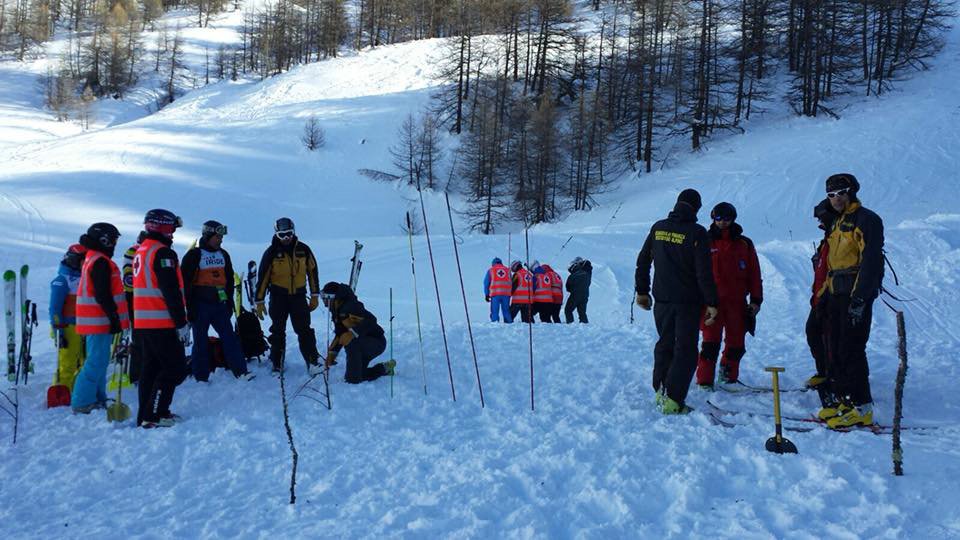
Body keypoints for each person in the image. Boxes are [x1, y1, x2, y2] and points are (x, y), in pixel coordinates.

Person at [635, 189, 718, 414]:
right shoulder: (697, 233)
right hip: (687, 302)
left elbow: (643, 260)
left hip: (661, 300)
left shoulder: (658, 227)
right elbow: (704, 272)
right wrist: (712, 302)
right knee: (686, 350)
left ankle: (660, 391)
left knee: (665, 343)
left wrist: (642, 291)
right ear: (697, 208)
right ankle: (673, 399)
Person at [817, 173, 884, 428]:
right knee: (837, 349)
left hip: (855, 294)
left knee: (853, 349)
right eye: (830, 194)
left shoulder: (867, 220)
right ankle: (845, 401)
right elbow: (831, 263)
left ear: (852, 192)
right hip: (836, 293)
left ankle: (862, 406)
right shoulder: (837, 222)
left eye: (840, 193)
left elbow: (870, 262)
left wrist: (860, 299)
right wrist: (824, 294)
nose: (835, 198)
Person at [695, 202, 763, 390]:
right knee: (710, 344)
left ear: (733, 219)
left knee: (736, 344)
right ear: (713, 218)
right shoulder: (704, 241)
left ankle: (728, 377)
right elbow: (695, 273)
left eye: (727, 219)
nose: (723, 222)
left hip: (737, 304)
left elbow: (754, 274)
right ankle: (704, 381)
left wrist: (756, 300)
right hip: (711, 305)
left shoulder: (744, 244)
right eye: (718, 218)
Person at [134, 209, 191, 429]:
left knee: (151, 368)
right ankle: (154, 414)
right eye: (171, 229)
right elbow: (171, 291)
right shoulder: (162, 253)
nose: (173, 234)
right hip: (161, 320)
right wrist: (181, 323)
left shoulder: (143, 250)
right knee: (175, 369)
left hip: (144, 321)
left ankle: (147, 415)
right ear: (162, 227)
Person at [181, 220, 252, 382]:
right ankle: (201, 376)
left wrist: (228, 303)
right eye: (218, 236)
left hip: (219, 305)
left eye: (221, 237)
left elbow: (228, 280)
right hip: (200, 305)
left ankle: (241, 371)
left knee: (230, 338)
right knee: (200, 342)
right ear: (208, 235)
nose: (221, 240)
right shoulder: (194, 255)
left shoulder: (223, 254)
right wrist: (189, 307)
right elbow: (184, 283)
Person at [73, 223, 129, 414]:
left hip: (97, 321)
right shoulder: (100, 262)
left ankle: (96, 397)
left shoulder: (95, 258)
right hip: (98, 321)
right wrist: (113, 317)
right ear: (104, 240)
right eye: (113, 240)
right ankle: (82, 402)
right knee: (95, 362)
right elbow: (102, 293)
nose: (114, 244)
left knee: (100, 361)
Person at [254, 218, 321, 372]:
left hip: (298, 297)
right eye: (282, 234)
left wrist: (315, 295)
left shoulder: (303, 250)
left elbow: (312, 272)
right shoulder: (271, 252)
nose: (286, 238)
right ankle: (277, 363)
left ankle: (312, 361)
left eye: (289, 234)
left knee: (304, 330)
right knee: (278, 331)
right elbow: (263, 277)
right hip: (278, 297)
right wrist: (259, 300)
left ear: (294, 232)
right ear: (276, 234)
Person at [321, 282, 395, 383]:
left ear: (333, 298)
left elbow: (371, 321)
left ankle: (353, 378)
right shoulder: (337, 310)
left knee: (350, 342)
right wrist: (332, 353)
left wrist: (352, 333)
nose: (325, 304)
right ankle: (385, 368)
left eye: (325, 300)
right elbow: (340, 334)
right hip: (362, 344)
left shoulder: (351, 306)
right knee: (358, 375)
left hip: (375, 342)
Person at [805, 199, 837, 408]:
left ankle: (834, 379)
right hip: (820, 297)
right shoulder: (828, 238)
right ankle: (824, 372)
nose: (819, 223)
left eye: (821, 218)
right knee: (813, 332)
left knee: (831, 339)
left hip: (832, 297)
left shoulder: (837, 238)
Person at [49, 243, 87, 392]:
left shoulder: (83, 277)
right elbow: (55, 308)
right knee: (68, 362)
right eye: (83, 260)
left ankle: (76, 390)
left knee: (83, 362)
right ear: (74, 260)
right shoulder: (62, 279)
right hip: (67, 327)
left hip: (83, 325)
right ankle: (62, 390)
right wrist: (58, 330)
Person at [121, 231, 146, 384]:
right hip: (134, 298)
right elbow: (128, 280)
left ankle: (145, 369)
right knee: (138, 337)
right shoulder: (133, 252)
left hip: (146, 299)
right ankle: (136, 374)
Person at [483, 257, 512, 323]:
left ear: (493, 264)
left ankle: (495, 325)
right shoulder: (508, 270)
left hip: (495, 294)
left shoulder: (491, 270)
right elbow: (511, 281)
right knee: (506, 311)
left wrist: (487, 294)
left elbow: (486, 283)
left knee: (495, 311)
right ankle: (509, 324)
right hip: (506, 294)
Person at [564, 257, 591, 323]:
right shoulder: (587, 273)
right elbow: (588, 283)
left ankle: (570, 325)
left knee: (568, 310)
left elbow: (568, 287)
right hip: (585, 295)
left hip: (575, 295)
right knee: (582, 313)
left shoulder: (573, 275)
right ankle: (585, 327)